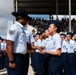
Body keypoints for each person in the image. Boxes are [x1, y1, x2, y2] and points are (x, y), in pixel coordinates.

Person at [6, 9, 43, 75]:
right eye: (26, 19)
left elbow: (25, 44)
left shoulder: (22, 29)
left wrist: (37, 47)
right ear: (21, 18)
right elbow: (9, 44)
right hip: (16, 57)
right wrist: (11, 61)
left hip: (23, 57)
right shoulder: (14, 27)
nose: (27, 21)